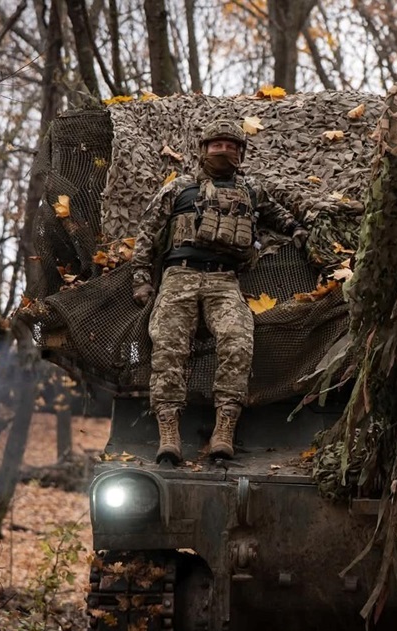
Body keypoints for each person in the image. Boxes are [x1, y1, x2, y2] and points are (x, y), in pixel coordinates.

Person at [129, 120, 308, 463]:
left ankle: (224, 429)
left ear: (241, 153)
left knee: (238, 340)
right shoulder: (178, 188)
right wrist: (141, 278)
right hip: (178, 278)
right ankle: (169, 434)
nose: (223, 151)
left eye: (231, 146)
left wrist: (297, 230)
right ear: (203, 150)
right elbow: (148, 233)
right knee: (167, 345)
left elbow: (278, 215)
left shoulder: (251, 190)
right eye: (217, 145)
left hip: (224, 282)